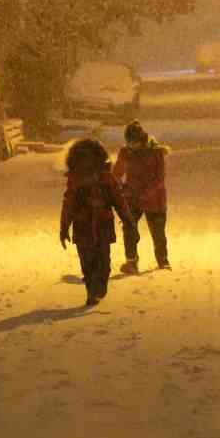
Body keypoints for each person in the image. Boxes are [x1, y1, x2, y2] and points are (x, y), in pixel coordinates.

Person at [59, 136, 135, 307]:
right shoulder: (76, 180)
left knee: (101, 263)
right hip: (85, 227)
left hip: (100, 226)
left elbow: (118, 199)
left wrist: (128, 219)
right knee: (89, 263)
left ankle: (97, 288)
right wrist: (64, 228)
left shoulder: (106, 178)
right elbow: (69, 204)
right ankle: (92, 291)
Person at [113, 120, 171, 273]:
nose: (131, 146)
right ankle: (131, 261)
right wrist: (121, 187)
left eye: (134, 143)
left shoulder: (156, 152)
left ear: (141, 140)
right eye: (128, 143)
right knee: (129, 227)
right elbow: (117, 173)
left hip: (155, 199)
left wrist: (144, 193)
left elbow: (159, 179)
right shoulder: (125, 152)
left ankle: (163, 261)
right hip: (132, 198)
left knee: (158, 232)